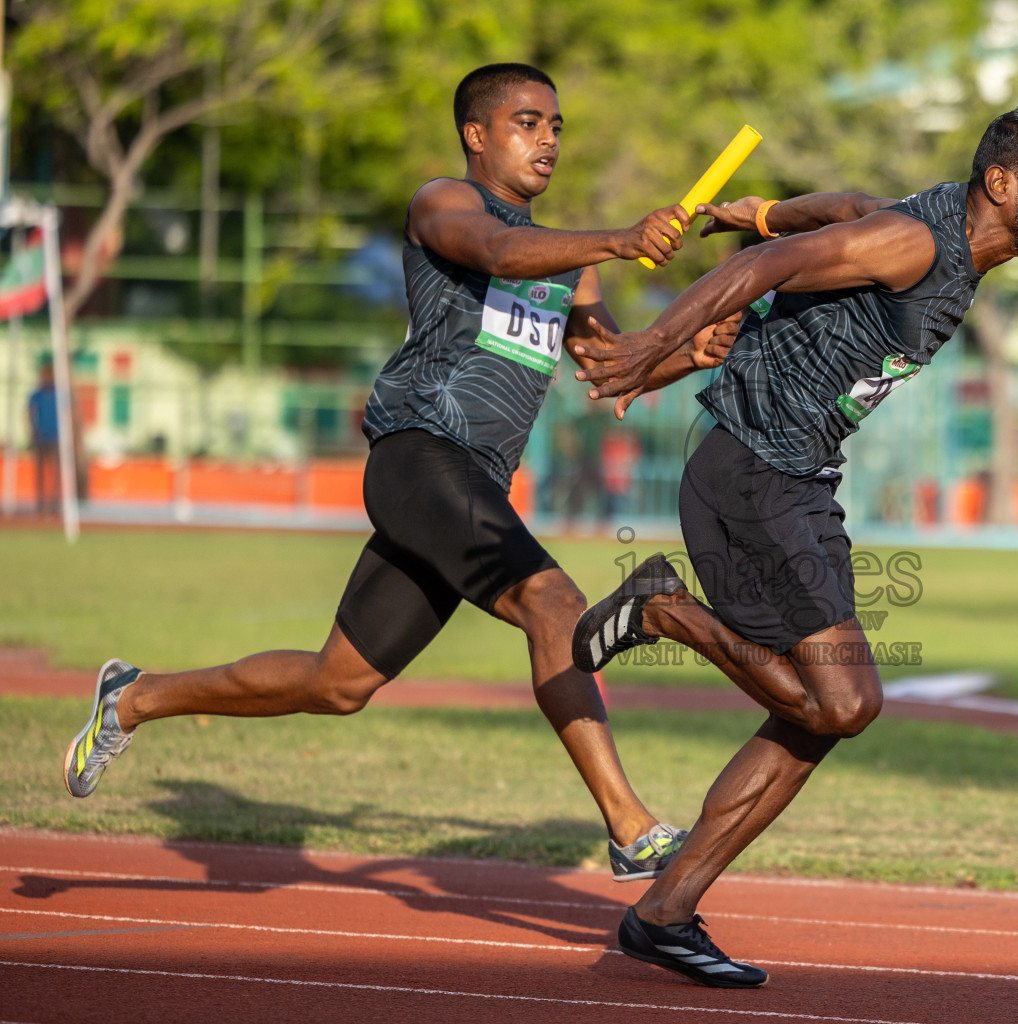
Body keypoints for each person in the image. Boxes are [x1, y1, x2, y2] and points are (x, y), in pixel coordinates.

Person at [62, 62, 739, 884]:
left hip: (474, 484)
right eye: (529, 122)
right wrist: (620, 237)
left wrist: (688, 351)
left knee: (337, 683)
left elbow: (612, 369)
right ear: (476, 135)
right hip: (418, 454)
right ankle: (631, 830)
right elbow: (497, 250)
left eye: (557, 126)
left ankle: (135, 696)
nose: (548, 140)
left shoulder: (572, 265)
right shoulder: (443, 203)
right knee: (553, 602)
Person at [567, 104, 1018, 988]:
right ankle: (662, 608)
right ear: (1002, 184)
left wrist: (763, 209)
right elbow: (776, 266)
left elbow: (843, 206)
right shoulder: (918, 246)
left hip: (794, 483)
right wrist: (655, 342)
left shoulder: (933, 232)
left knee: (810, 722)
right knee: (844, 705)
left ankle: (664, 913)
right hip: (754, 476)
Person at [27, 358, 60, 515]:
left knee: (55, 472)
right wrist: (32, 431)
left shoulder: (59, 395)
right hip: (41, 436)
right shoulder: (37, 395)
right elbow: (30, 412)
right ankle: (40, 503)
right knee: (40, 472)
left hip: (56, 437)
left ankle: (54, 503)